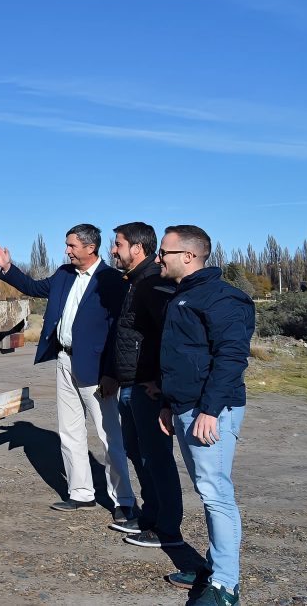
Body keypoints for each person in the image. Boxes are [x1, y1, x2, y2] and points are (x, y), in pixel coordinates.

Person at [0, 225, 135, 524]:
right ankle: (81, 493)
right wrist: (7, 268)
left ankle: (124, 502)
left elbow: (119, 331)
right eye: (66, 245)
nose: (67, 250)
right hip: (65, 361)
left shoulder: (111, 280)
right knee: (69, 432)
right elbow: (34, 288)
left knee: (109, 437)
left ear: (90, 247)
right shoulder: (64, 274)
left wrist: (112, 372)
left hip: (97, 370)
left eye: (71, 246)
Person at [156, 225, 254, 606]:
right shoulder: (182, 296)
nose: (158, 258)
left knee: (216, 494)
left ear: (188, 256)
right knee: (208, 489)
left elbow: (231, 358)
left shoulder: (224, 298)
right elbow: (180, 357)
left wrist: (210, 411)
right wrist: (168, 403)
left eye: (164, 252)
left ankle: (226, 585)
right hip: (184, 407)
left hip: (209, 409)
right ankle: (214, 567)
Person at [100, 223, 183, 548]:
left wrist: (161, 381)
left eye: (118, 244)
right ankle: (150, 518)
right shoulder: (135, 282)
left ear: (137, 248)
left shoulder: (152, 282)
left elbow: (172, 335)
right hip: (130, 384)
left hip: (146, 388)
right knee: (138, 453)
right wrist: (114, 373)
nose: (113, 250)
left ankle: (168, 530)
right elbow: (125, 335)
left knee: (156, 458)